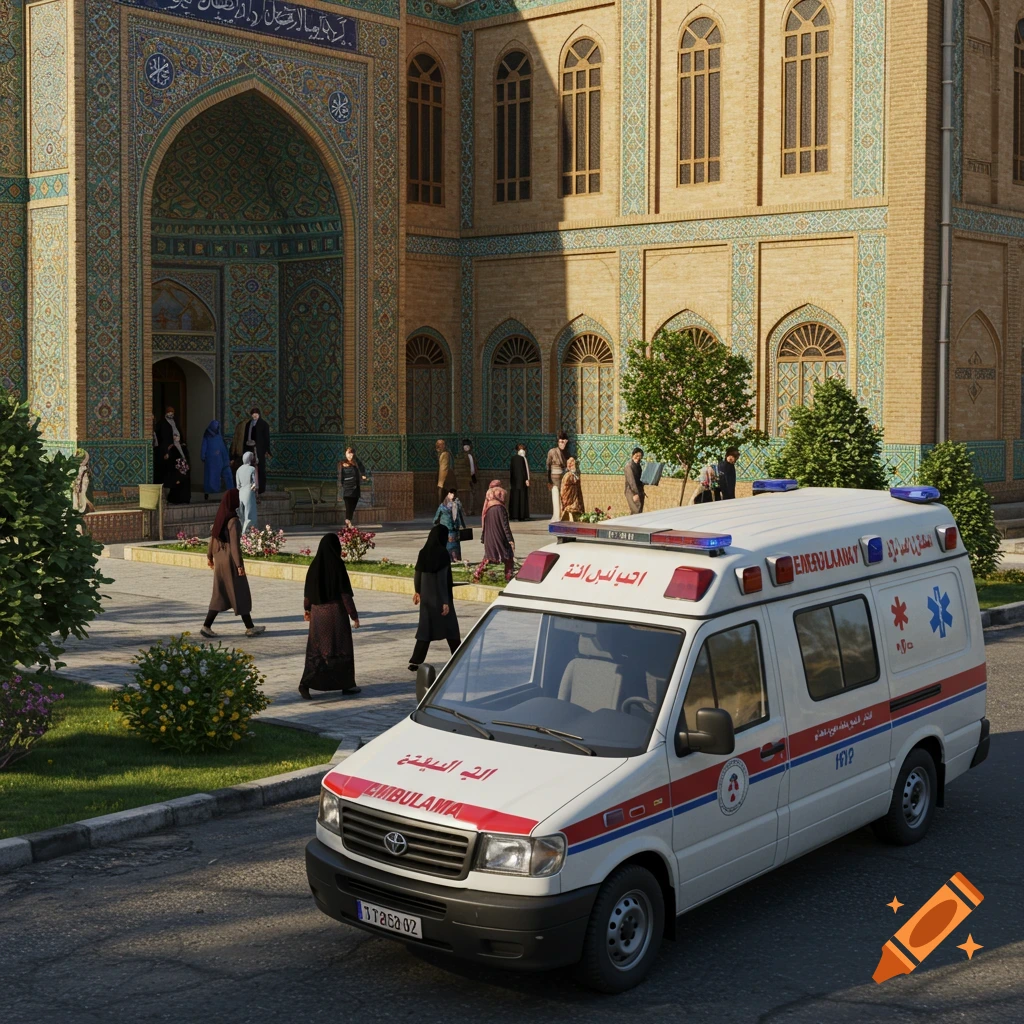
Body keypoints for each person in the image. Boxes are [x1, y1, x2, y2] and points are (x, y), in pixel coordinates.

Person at [298, 533, 361, 699]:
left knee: (317, 650)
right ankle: (347, 684)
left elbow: (308, 593)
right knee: (341, 649)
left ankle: (306, 683)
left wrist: (307, 610)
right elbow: (345, 594)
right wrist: (353, 615)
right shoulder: (337, 566)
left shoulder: (314, 566)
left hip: (318, 615)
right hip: (336, 615)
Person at [201, 489, 265, 638]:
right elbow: (235, 546)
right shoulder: (233, 521)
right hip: (230, 561)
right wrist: (239, 566)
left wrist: (210, 556)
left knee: (220, 593)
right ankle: (250, 627)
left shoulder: (220, 517)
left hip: (219, 559)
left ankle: (207, 626)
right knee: (240, 592)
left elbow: (213, 538)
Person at [409, 524, 461, 673]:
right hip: (441, 598)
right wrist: (445, 601)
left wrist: (417, 591)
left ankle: (415, 661)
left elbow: (417, 573)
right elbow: (442, 579)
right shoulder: (443, 553)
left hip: (426, 599)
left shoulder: (423, 552)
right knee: (451, 630)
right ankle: (458, 656)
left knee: (425, 631)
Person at [473, 480, 516, 582]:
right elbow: (505, 526)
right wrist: (510, 540)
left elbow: (485, 525)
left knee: (488, 558)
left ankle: (477, 575)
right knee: (508, 557)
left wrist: (484, 538)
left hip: (489, 540)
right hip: (500, 539)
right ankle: (508, 577)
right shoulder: (501, 509)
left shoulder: (487, 509)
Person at [156, 407, 191, 505]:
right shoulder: (162, 424)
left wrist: (181, 444)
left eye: (172, 412)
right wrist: (165, 450)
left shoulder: (175, 423)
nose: (171, 414)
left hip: (177, 453)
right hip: (169, 455)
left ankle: (182, 497)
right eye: (169, 412)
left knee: (181, 476)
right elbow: (159, 439)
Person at [201, 419, 233, 500]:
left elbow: (222, 448)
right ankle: (209, 491)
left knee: (224, 474)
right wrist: (203, 456)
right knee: (211, 475)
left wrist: (226, 459)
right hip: (212, 460)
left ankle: (231, 491)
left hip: (220, 459)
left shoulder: (218, 436)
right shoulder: (207, 436)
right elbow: (204, 446)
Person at [242, 407, 272, 493]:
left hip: (259, 449)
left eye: (256, 414)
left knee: (260, 468)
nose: (254, 415)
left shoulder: (264, 424)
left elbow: (267, 438)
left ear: (259, 414)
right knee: (249, 468)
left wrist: (267, 449)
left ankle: (261, 488)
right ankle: (250, 487)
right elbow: (245, 437)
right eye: (253, 414)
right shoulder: (248, 424)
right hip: (249, 448)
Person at [433, 487, 467, 561]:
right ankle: (449, 558)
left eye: (454, 493)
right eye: (451, 493)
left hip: (455, 528)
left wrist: (463, 526)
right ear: (448, 495)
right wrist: (436, 526)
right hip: (446, 528)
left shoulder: (457, 504)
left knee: (456, 544)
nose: (453, 495)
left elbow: (460, 515)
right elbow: (436, 517)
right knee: (448, 544)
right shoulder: (442, 506)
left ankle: (456, 558)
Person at [337, 446, 368, 526]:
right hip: (346, 487)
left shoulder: (356, 462)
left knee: (353, 504)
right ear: (345, 454)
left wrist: (363, 475)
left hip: (355, 487)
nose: (350, 455)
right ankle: (348, 520)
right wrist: (341, 486)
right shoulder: (341, 463)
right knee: (348, 505)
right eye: (348, 453)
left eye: (351, 453)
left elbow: (362, 468)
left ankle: (349, 520)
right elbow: (340, 476)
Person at [546, 430, 569, 522]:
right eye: (560, 441)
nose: (561, 443)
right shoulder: (552, 451)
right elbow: (548, 466)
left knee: (561, 496)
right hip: (553, 477)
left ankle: (561, 515)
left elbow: (566, 464)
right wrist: (549, 480)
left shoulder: (565, 452)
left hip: (562, 477)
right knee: (555, 496)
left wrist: (564, 446)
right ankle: (556, 516)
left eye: (563, 441)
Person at [236, 452, 258, 535]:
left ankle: (243, 530)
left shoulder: (238, 470)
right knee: (250, 513)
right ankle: (246, 533)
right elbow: (255, 483)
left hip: (241, 493)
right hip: (249, 492)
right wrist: (252, 489)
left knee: (242, 514)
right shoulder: (252, 469)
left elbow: (238, 485)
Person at [454, 439, 478, 515]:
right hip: (466, 478)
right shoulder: (465, 456)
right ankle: (467, 510)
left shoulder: (464, 456)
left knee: (466, 494)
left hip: (465, 478)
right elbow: (470, 469)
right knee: (467, 494)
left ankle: (466, 510)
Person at [508, 442, 531, 521]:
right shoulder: (523, 459)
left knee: (516, 498)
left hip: (515, 483)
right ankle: (521, 515)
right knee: (521, 498)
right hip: (521, 483)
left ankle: (515, 515)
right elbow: (526, 470)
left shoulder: (513, 458)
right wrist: (527, 479)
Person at [559, 456, 584, 521]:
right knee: (570, 511)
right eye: (572, 465)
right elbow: (565, 488)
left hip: (575, 496)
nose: (574, 466)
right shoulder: (568, 475)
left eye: (574, 464)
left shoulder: (574, 474)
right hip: (570, 498)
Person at [435, 438, 456, 506]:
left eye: (442, 444)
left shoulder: (445, 454)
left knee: (444, 490)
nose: (442, 446)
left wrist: (441, 480)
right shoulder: (441, 453)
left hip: (446, 475)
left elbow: (443, 468)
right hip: (444, 475)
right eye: (440, 444)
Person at [625, 447, 645, 515]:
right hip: (631, 492)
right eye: (637, 456)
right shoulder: (629, 466)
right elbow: (631, 481)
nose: (638, 458)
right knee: (636, 511)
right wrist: (635, 493)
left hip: (639, 491)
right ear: (633, 455)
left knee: (638, 512)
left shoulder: (638, 466)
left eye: (640, 456)